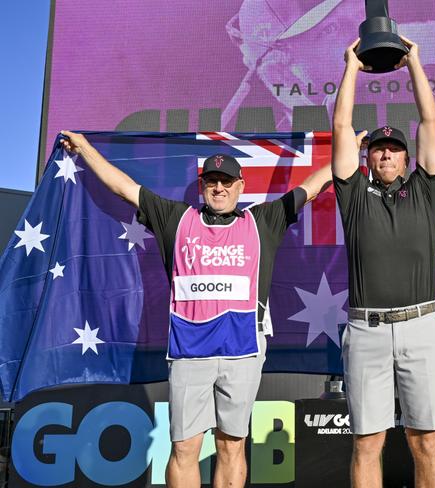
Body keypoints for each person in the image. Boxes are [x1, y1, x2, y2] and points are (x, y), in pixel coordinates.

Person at [60, 130, 355, 488]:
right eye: (212, 181)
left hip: (243, 351)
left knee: (232, 445)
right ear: (202, 186)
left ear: (240, 186)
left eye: (226, 181)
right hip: (190, 352)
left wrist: (349, 146)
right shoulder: (176, 219)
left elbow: (312, 185)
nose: (219, 188)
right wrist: (86, 150)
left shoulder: (262, 221)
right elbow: (122, 186)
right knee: (185, 446)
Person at [331, 36, 435, 488]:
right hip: (366, 331)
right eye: (377, 149)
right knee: (367, 442)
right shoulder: (354, 195)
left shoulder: (424, 190)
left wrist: (415, 64)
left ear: (406, 158)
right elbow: (342, 126)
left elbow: (430, 119)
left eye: (393, 149)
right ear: (368, 159)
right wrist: (350, 67)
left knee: (425, 442)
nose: (384, 153)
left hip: (421, 327)